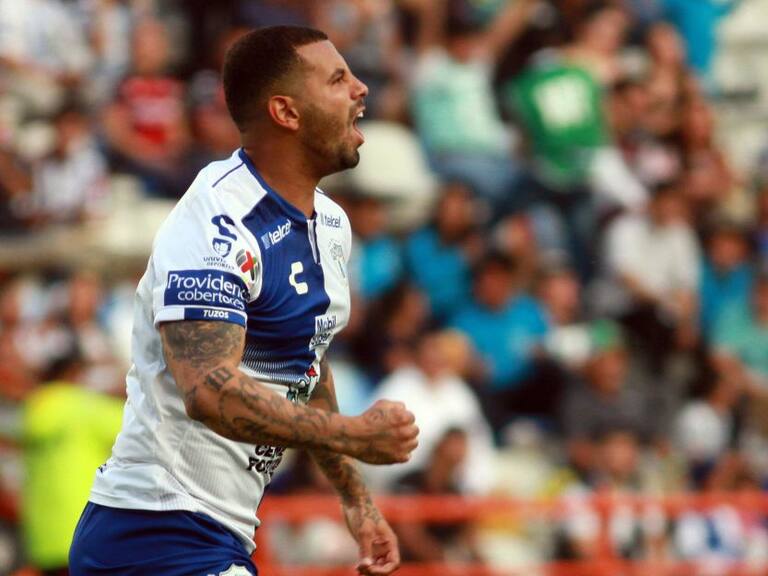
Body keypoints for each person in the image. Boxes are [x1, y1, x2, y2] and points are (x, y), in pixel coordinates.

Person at [68, 26, 419, 576]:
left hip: (213, 534)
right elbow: (209, 390)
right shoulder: (216, 221)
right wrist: (354, 433)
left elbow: (307, 365)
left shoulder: (331, 224)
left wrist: (355, 498)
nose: (361, 88)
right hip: (152, 531)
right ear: (286, 112)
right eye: (337, 79)